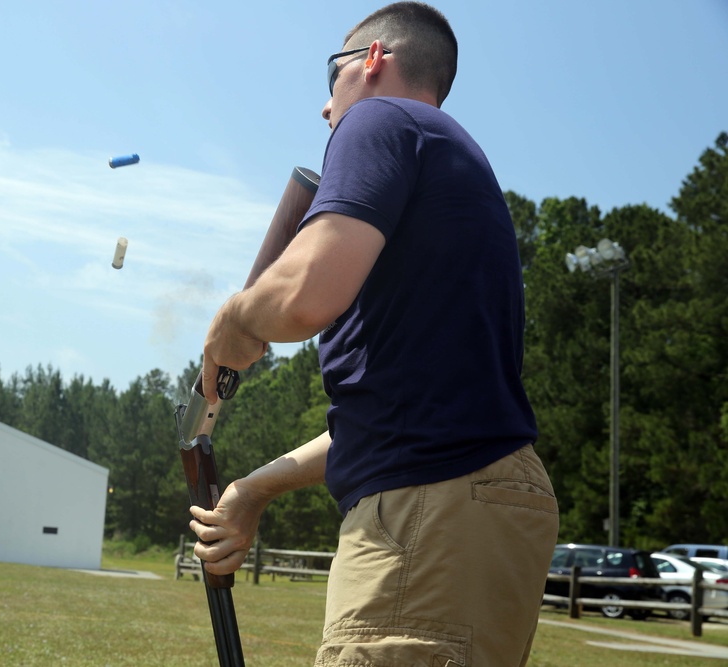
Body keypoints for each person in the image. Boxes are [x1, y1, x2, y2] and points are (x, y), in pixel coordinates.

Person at [191, 2, 560, 665]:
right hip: (477, 501)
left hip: (431, 511)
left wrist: (233, 319)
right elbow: (396, 414)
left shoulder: (379, 119)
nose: (326, 110)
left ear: (372, 61)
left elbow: (305, 298)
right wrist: (253, 489)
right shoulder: (444, 161)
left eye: (331, 77)